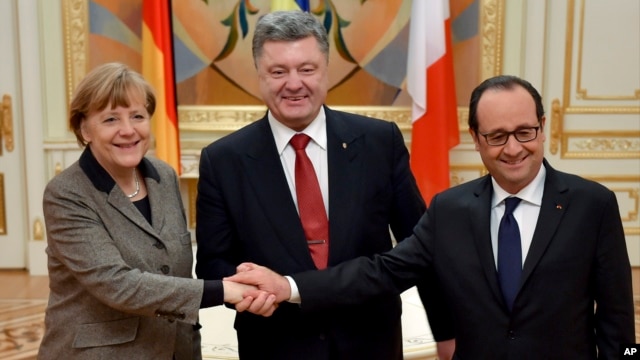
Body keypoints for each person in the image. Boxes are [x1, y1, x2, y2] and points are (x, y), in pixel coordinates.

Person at [229, 75, 636, 359]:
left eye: (524, 132)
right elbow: (381, 272)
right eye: (497, 136)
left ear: (542, 128)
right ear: (476, 139)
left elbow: (620, 321)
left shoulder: (592, 205)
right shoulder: (450, 210)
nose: (513, 149)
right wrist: (289, 286)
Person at [195, 10, 453, 360]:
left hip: (370, 344)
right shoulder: (223, 160)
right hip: (275, 345)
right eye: (278, 71)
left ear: (325, 70)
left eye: (306, 69)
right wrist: (254, 291)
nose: (294, 83)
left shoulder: (380, 143)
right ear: (259, 75)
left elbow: (420, 248)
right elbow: (213, 266)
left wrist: (447, 332)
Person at [38, 62, 269, 360]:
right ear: (84, 128)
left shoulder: (163, 176)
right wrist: (224, 291)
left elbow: (173, 267)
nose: (128, 130)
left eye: (137, 116)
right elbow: (117, 285)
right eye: (110, 119)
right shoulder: (66, 194)